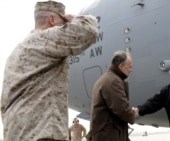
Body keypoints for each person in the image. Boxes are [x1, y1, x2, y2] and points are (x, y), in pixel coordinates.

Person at [0, 1, 98, 141]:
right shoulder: (46, 38)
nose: (65, 26)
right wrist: (74, 19)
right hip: (42, 135)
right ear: (52, 20)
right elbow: (88, 32)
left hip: (16, 134)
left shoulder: (16, 53)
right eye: (62, 22)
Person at [86, 50, 139, 141]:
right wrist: (133, 113)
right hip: (109, 136)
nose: (131, 70)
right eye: (129, 67)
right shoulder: (113, 82)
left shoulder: (107, 79)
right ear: (121, 66)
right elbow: (123, 110)